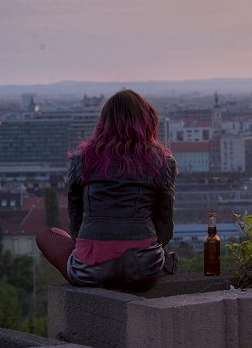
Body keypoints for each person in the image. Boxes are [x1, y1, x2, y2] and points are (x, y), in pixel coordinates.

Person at [36, 89, 177, 291]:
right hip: (143, 271)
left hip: (90, 271)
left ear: (103, 123)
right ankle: (160, 262)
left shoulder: (81, 160)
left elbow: (76, 222)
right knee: (150, 249)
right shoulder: (163, 163)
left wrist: (95, 248)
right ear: (147, 122)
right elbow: (164, 226)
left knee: (47, 234)